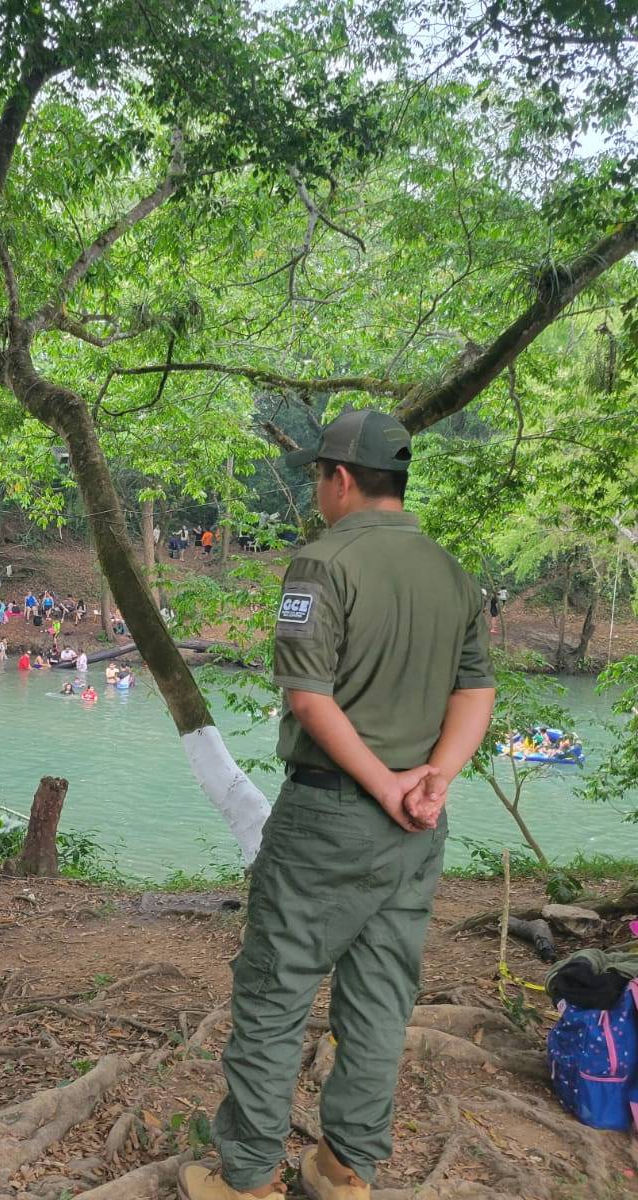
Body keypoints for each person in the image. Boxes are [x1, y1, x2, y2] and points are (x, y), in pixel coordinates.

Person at [179, 410, 495, 1200]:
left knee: (275, 990)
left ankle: (246, 1179)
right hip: (419, 827)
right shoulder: (451, 573)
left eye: (318, 476)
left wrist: (385, 784)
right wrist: (435, 779)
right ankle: (345, 1168)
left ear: (341, 479)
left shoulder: (321, 565)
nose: (319, 489)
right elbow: (476, 690)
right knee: (383, 994)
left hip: (331, 814)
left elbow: (310, 697)